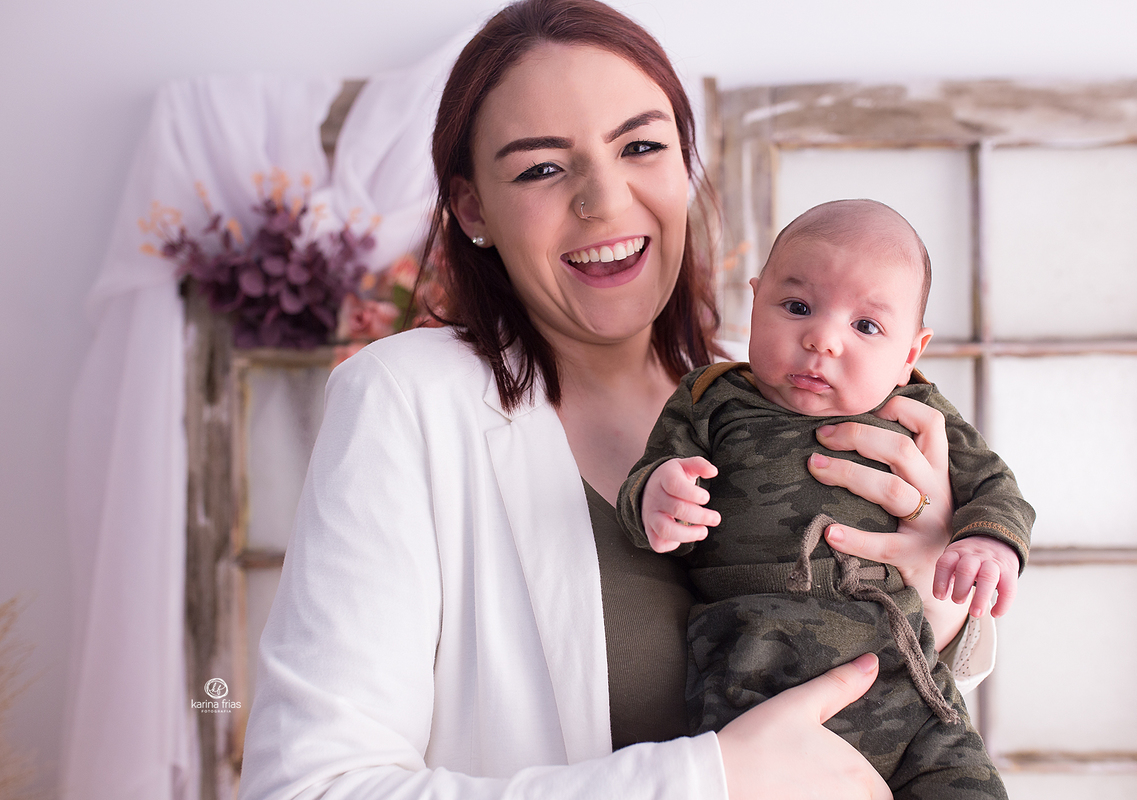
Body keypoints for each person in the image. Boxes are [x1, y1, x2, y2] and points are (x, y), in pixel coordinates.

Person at [239, 4, 997, 800]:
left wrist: (940, 597)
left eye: (641, 146)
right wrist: (711, 778)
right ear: (472, 209)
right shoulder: (405, 398)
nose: (605, 201)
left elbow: (867, 730)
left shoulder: (775, 406)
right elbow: (307, 788)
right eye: (540, 167)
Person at [615, 199, 1035, 798]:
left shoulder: (915, 412)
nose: (822, 339)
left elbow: (994, 486)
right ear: (755, 301)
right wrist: (657, 496)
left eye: (866, 326)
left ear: (911, 353)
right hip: (754, 657)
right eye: (796, 307)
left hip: (903, 669)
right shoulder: (712, 397)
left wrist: (988, 541)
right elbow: (648, 474)